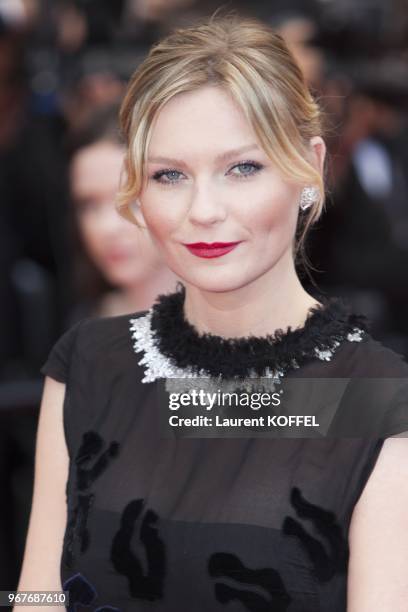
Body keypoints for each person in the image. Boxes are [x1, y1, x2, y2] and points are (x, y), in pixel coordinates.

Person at [16, 13, 408, 612]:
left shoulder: (374, 397)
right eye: (169, 175)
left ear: (308, 169)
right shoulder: (90, 367)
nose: (203, 210)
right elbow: (38, 599)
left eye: (241, 168)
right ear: (139, 193)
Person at [67, 102, 178, 319]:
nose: (106, 227)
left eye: (133, 200)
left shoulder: (239, 328)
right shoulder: (83, 330)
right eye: (89, 205)